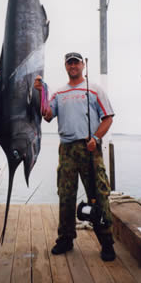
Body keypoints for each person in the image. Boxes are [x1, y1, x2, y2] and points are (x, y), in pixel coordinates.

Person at [34, 52, 116, 262]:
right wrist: (40, 93)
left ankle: (107, 242)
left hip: (90, 148)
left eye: (76, 63)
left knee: (98, 194)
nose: (73, 66)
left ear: (82, 65)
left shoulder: (94, 89)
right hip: (67, 149)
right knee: (66, 194)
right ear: (65, 65)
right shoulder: (59, 93)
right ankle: (65, 238)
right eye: (69, 63)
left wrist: (96, 138)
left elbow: (107, 117)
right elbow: (47, 114)